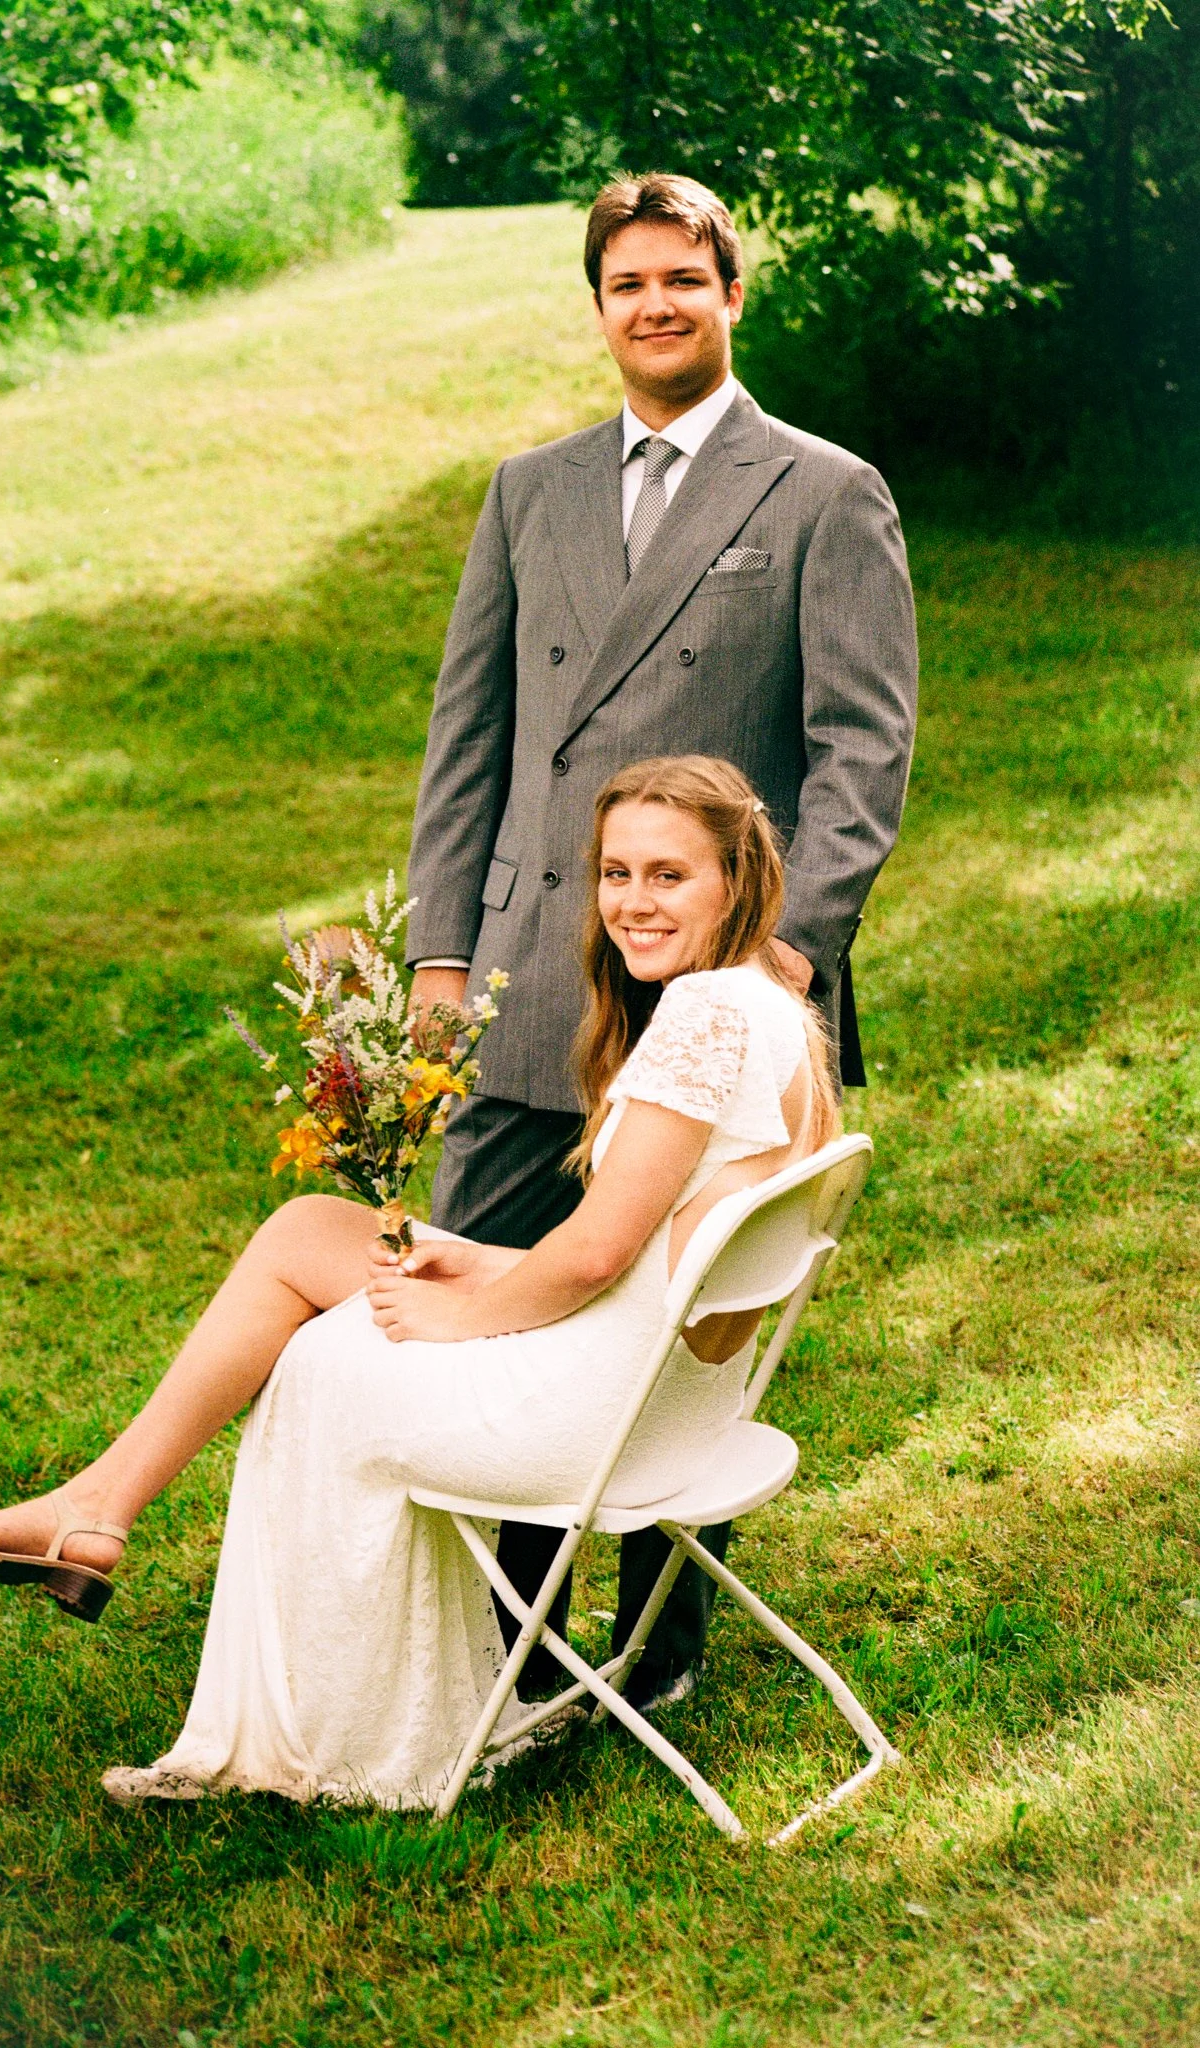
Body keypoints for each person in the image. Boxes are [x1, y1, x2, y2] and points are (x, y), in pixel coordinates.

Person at [0, 757, 837, 1809]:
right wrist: (482, 1261)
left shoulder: (705, 1015)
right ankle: (96, 1506)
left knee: (317, 1356)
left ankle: (314, 1739)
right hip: (670, 1398)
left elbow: (595, 1256)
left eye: (668, 875)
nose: (632, 901)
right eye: (615, 872)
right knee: (310, 1230)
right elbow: (652, 1253)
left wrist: (466, 1313)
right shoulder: (766, 1005)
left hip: (594, 1414)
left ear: (737, 877)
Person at [405, 171, 918, 1710]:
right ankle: (505, 1636)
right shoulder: (527, 491)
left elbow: (861, 752)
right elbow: (468, 741)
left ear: (729, 295)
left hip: (709, 977)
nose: (655, 305)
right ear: (597, 306)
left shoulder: (823, 491)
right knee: (486, 1280)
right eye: (626, 283)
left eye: (682, 279)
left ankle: (653, 1644)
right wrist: (441, 953)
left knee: (683, 1313)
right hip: (529, 964)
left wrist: (784, 957)